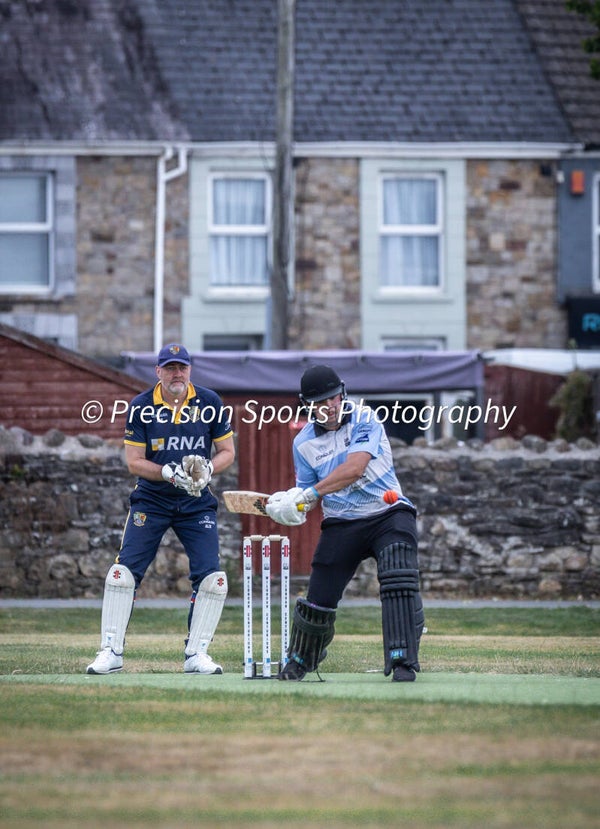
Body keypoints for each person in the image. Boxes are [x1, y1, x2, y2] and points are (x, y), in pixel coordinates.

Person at [266, 364, 424, 682]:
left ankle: (402, 660)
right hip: (341, 521)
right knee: (319, 596)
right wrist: (290, 508)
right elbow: (307, 494)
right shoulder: (303, 443)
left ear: (342, 394)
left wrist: (308, 494)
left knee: (397, 576)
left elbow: (354, 468)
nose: (329, 406)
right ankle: (301, 658)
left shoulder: (365, 418)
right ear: (307, 406)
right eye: (321, 402)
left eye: (333, 398)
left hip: (388, 514)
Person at [86, 343, 235, 675]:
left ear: (190, 370)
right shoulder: (141, 406)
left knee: (212, 578)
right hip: (152, 500)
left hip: (196, 502)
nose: (176, 373)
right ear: (158, 372)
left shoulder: (209, 402)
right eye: (169, 368)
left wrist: (209, 469)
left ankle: (197, 654)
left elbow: (227, 451)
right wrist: (167, 472)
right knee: (123, 574)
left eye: (182, 367)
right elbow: (134, 462)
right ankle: (111, 651)